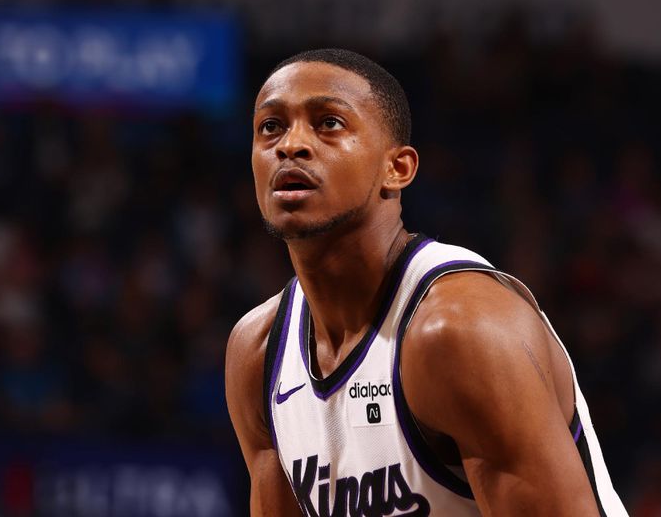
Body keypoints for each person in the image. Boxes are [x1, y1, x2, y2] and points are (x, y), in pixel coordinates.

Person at [225, 48, 627, 516]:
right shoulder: (257, 352)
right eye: (270, 126)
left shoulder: (459, 330)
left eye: (328, 123)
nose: (291, 145)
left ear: (398, 169)